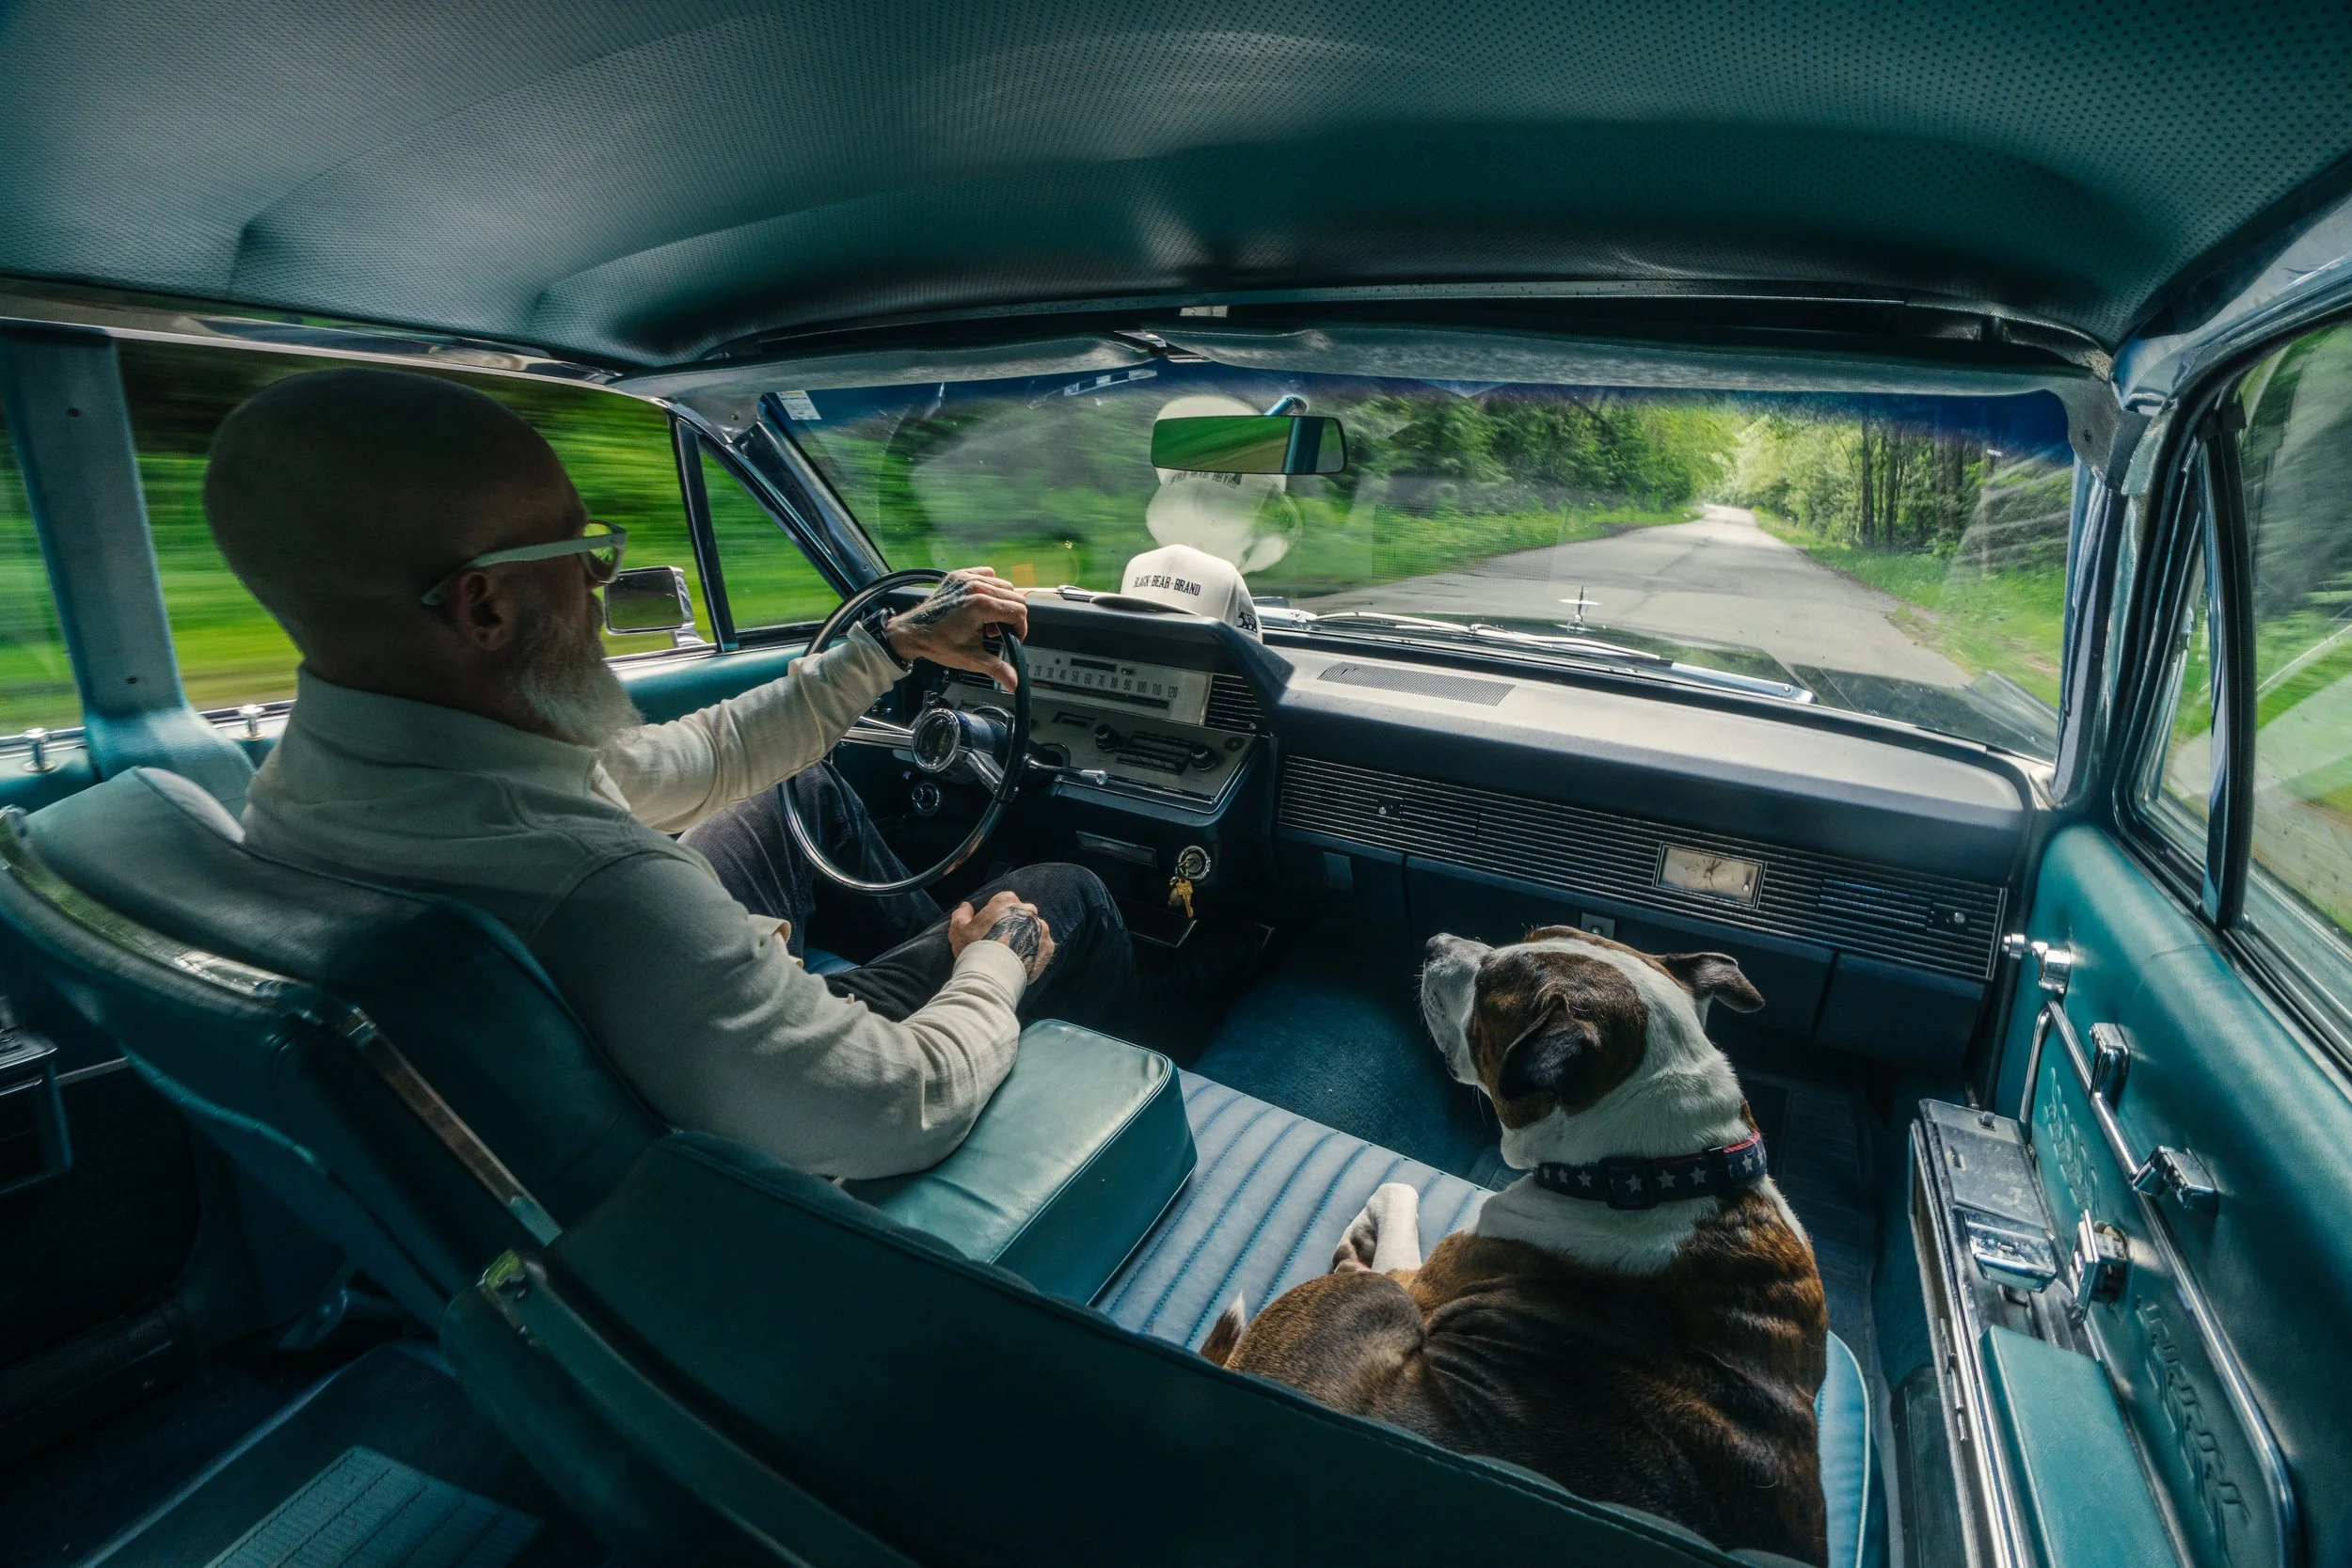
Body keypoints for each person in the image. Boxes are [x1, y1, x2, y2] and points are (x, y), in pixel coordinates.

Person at [200, 367, 1133, 1180]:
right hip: (761, 1130)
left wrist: (888, 647)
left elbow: (691, 761)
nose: (602, 580)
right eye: (578, 549)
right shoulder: (606, 891)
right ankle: (1088, 1077)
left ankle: (937, 945)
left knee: (793, 791)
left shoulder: (318, 773)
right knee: (1066, 893)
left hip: (622, 1058)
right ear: (484, 604)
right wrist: (990, 969)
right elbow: (900, 1102)